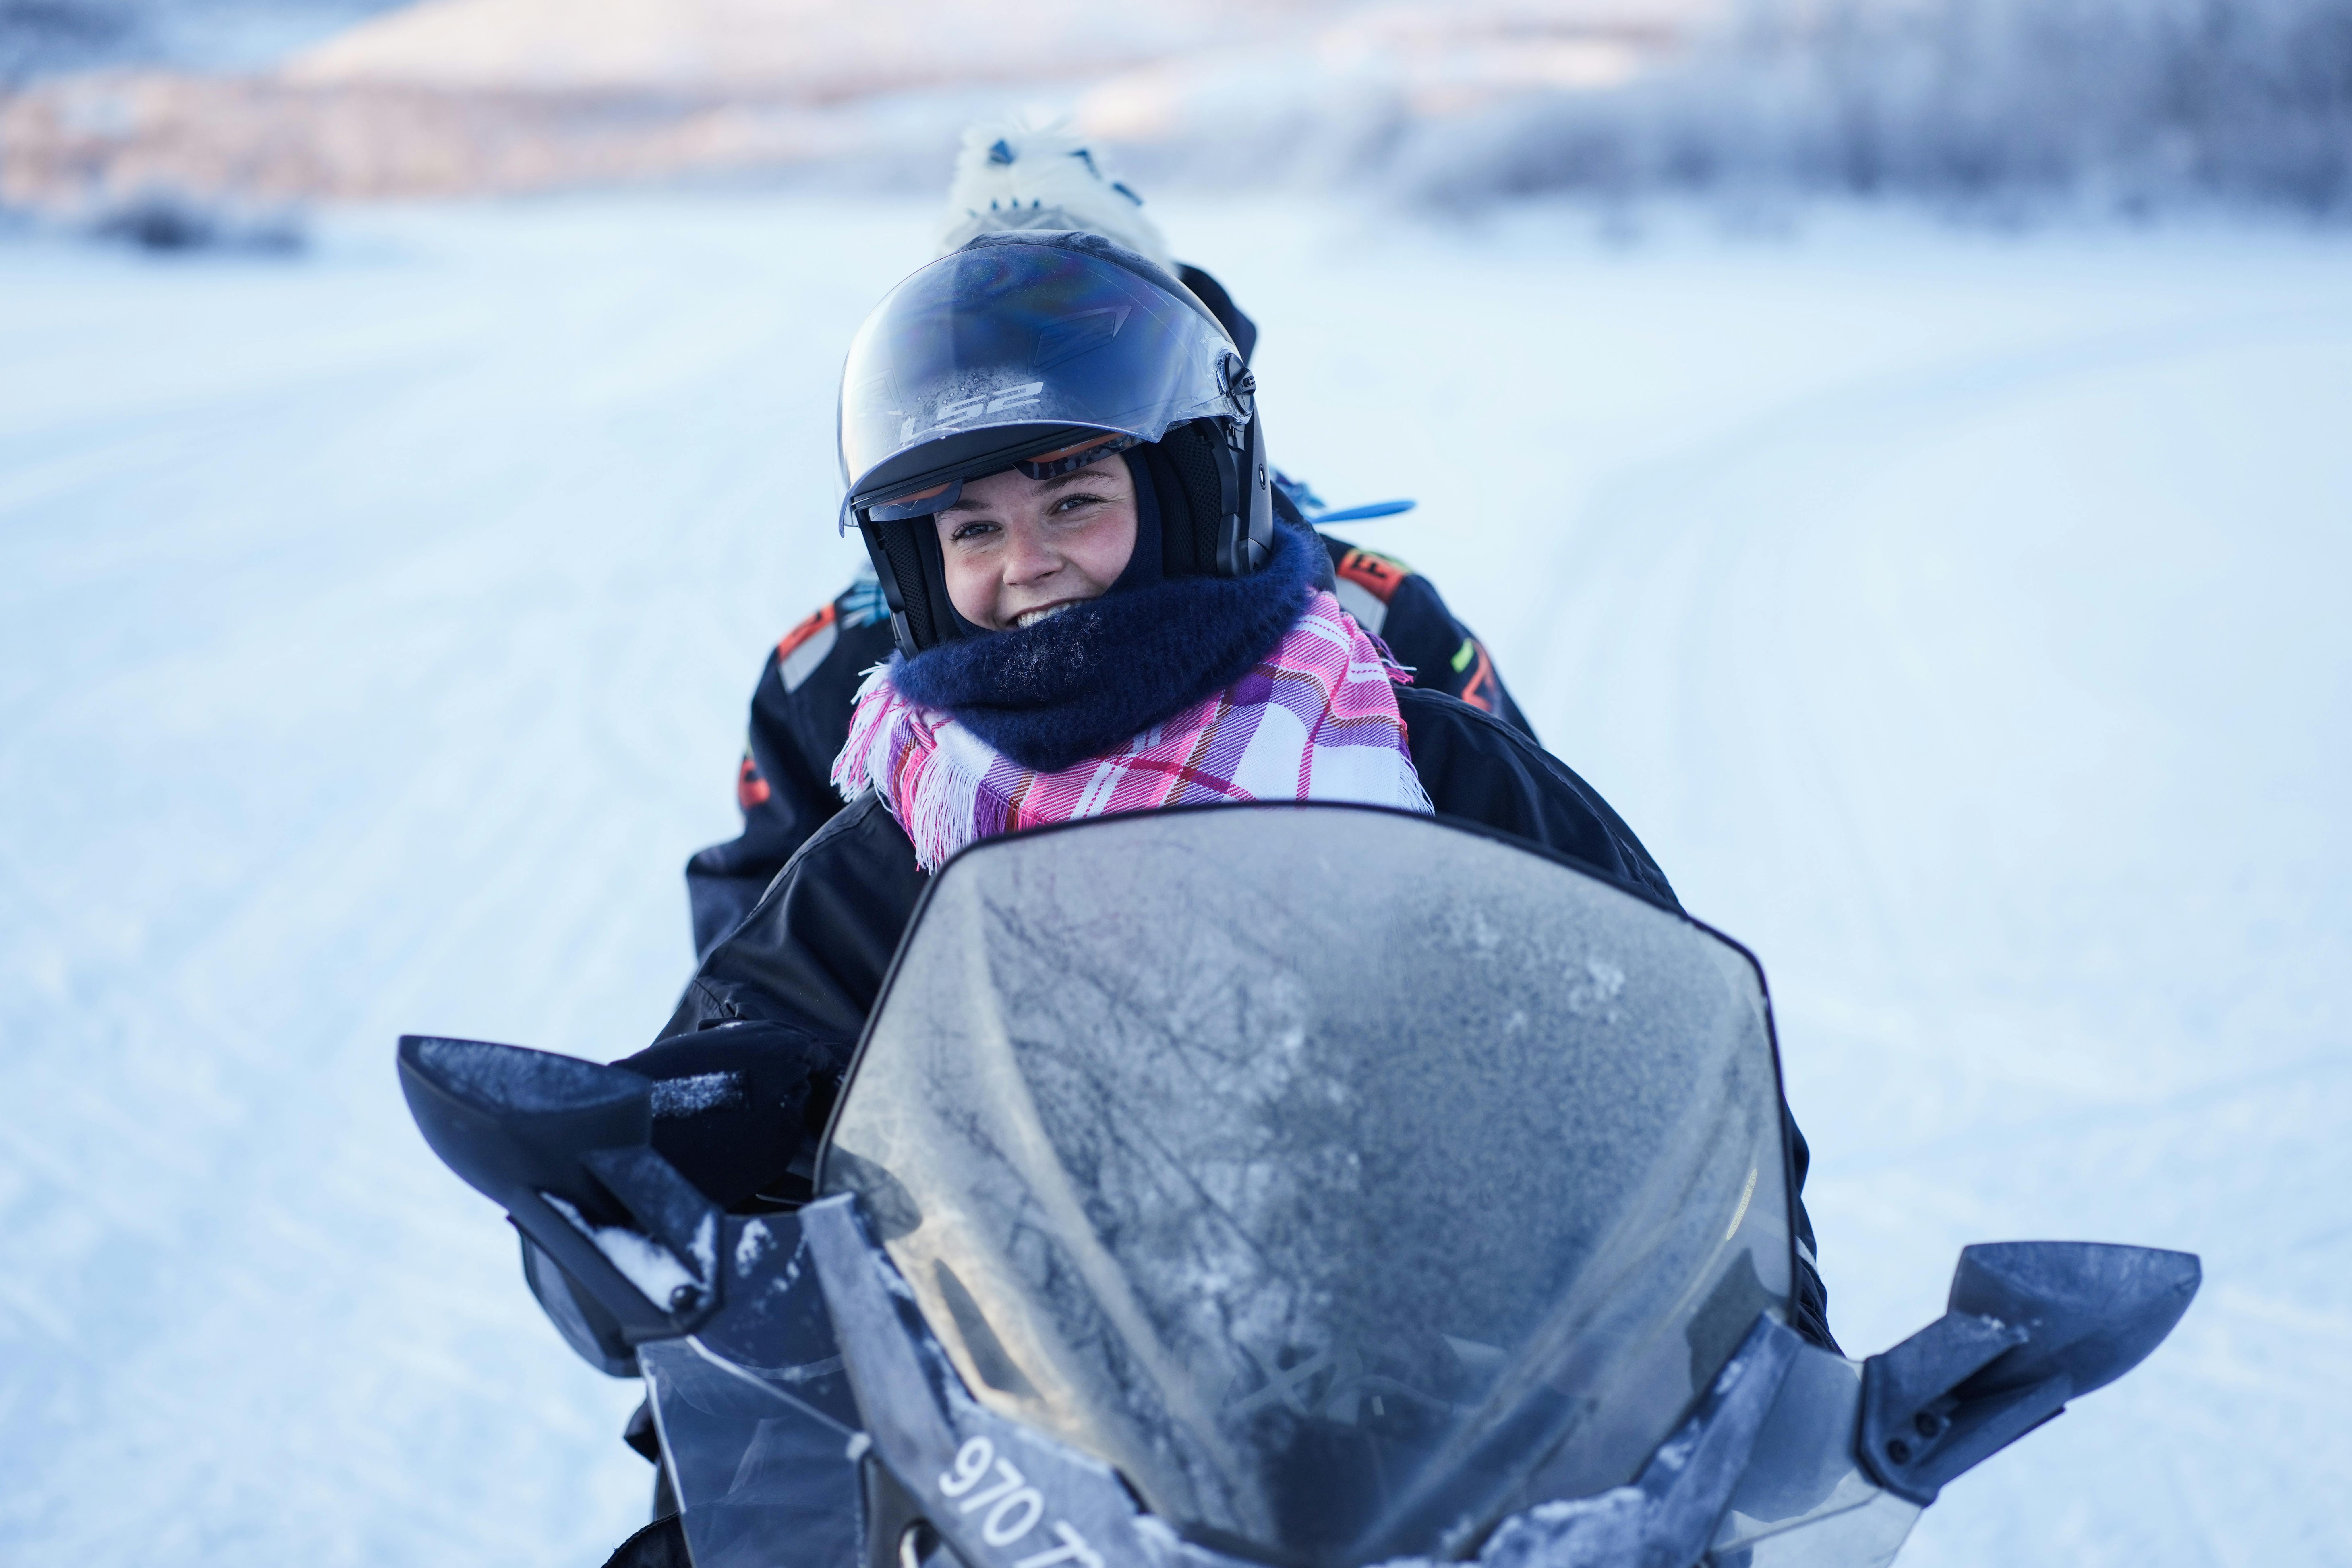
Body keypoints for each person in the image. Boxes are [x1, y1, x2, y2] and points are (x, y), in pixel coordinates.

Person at [620, 228, 1838, 1358]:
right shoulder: (894, 848)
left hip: (1444, 1397)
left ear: (1186, 493)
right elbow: (746, 1085)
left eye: (1072, 501)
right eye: (970, 532)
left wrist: (1762, 1364)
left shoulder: (1430, 771)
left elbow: (1673, 1081)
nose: (1025, 564)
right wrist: (664, 1165)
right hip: (1024, 1440)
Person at [686, 120, 1529, 961]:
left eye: (1076, 331)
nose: (1027, 564)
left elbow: (1541, 896)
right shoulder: (843, 673)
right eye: (986, 336)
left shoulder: (1364, 626)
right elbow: (772, 956)